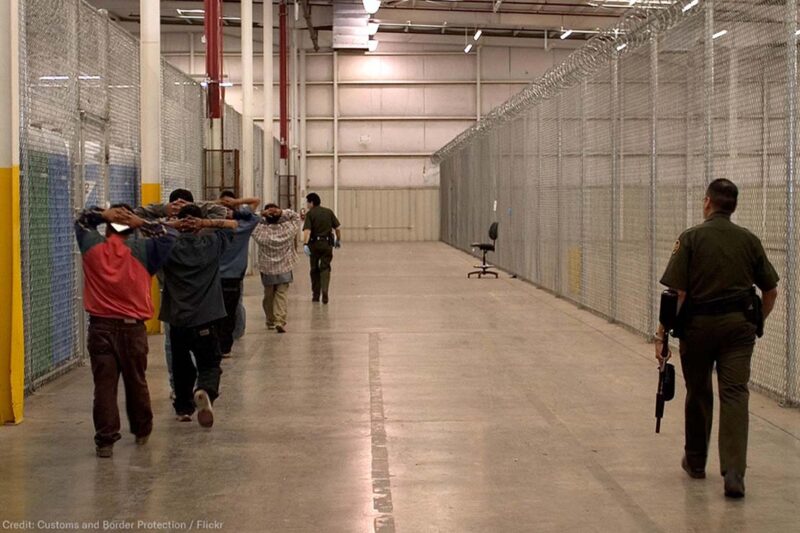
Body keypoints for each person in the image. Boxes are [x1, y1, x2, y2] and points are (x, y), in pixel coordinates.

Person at [656, 178, 779, 499]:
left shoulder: (692, 238)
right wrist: (755, 322)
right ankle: (735, 473)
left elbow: (678, 292)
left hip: (697, 329)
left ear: (708, 202)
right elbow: (770, 290)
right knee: (736, 394)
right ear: (733, 205)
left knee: (698, 390)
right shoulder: (749, 241)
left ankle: (696, 461)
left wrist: (662, 334)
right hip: (739, 330)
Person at [75, 204, 178, 458]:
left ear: (108, 226)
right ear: (131, 228)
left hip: (100, 327)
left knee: (104, 385)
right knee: (136, 381)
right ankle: (142, 430)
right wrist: (141, 222)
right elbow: (170, 235)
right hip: (132, 329)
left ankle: (105, 440)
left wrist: (101, 215)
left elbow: (80, 220)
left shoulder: (92, 247)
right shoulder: (145, 252)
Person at [135, 188, 227, 396]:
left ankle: (180, 396)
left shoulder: (163, 239)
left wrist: (164, 210)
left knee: (177, 353)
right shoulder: (209, 238)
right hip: (206, 306)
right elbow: (221, 214)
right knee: (208, 357)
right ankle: (203, 387)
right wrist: (198, 216)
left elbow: (136, 217)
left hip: (174, 304)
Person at [160, 204, 238, 428]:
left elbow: (145, 226)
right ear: (199, 223)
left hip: (178, 319)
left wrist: (173, 221)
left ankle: (184, 409)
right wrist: (203, 222)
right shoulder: (212, 243)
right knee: (210, 363)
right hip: (206, 316)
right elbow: (229, 223)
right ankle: (205, 390)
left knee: (181, 365)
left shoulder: (167, 246)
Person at [216, 191, 261, 357]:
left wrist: (220, 203)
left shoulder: (213, 227)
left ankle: (219, 343)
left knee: (219, 311)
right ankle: (225, 346)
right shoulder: (245, 225)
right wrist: (235, 203)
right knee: (230, 310)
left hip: (216, 275)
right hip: (233, 275)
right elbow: (256, 200)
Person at [252, 203, 302, 333]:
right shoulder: (287, 229)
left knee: (268, 295)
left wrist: (261, 213)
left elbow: (250, 220)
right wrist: (281, 211)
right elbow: (296, 217)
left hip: (267, 269)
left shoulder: (260, 231)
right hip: (284, 267)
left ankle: (270, 320)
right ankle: (280, 320)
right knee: (281, 295)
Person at [302, 192, 341, 304]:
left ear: (312, 202)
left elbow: (307, 231)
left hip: (314, 245)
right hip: (327, 245)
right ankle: (325, 290)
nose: (307, 205)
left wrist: (305, 244)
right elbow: (337, 227)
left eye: (307, 203)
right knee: (325, 268)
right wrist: (338, 240)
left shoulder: (310, 214)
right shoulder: (328, 212)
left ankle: (316, 294)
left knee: (314, 269)